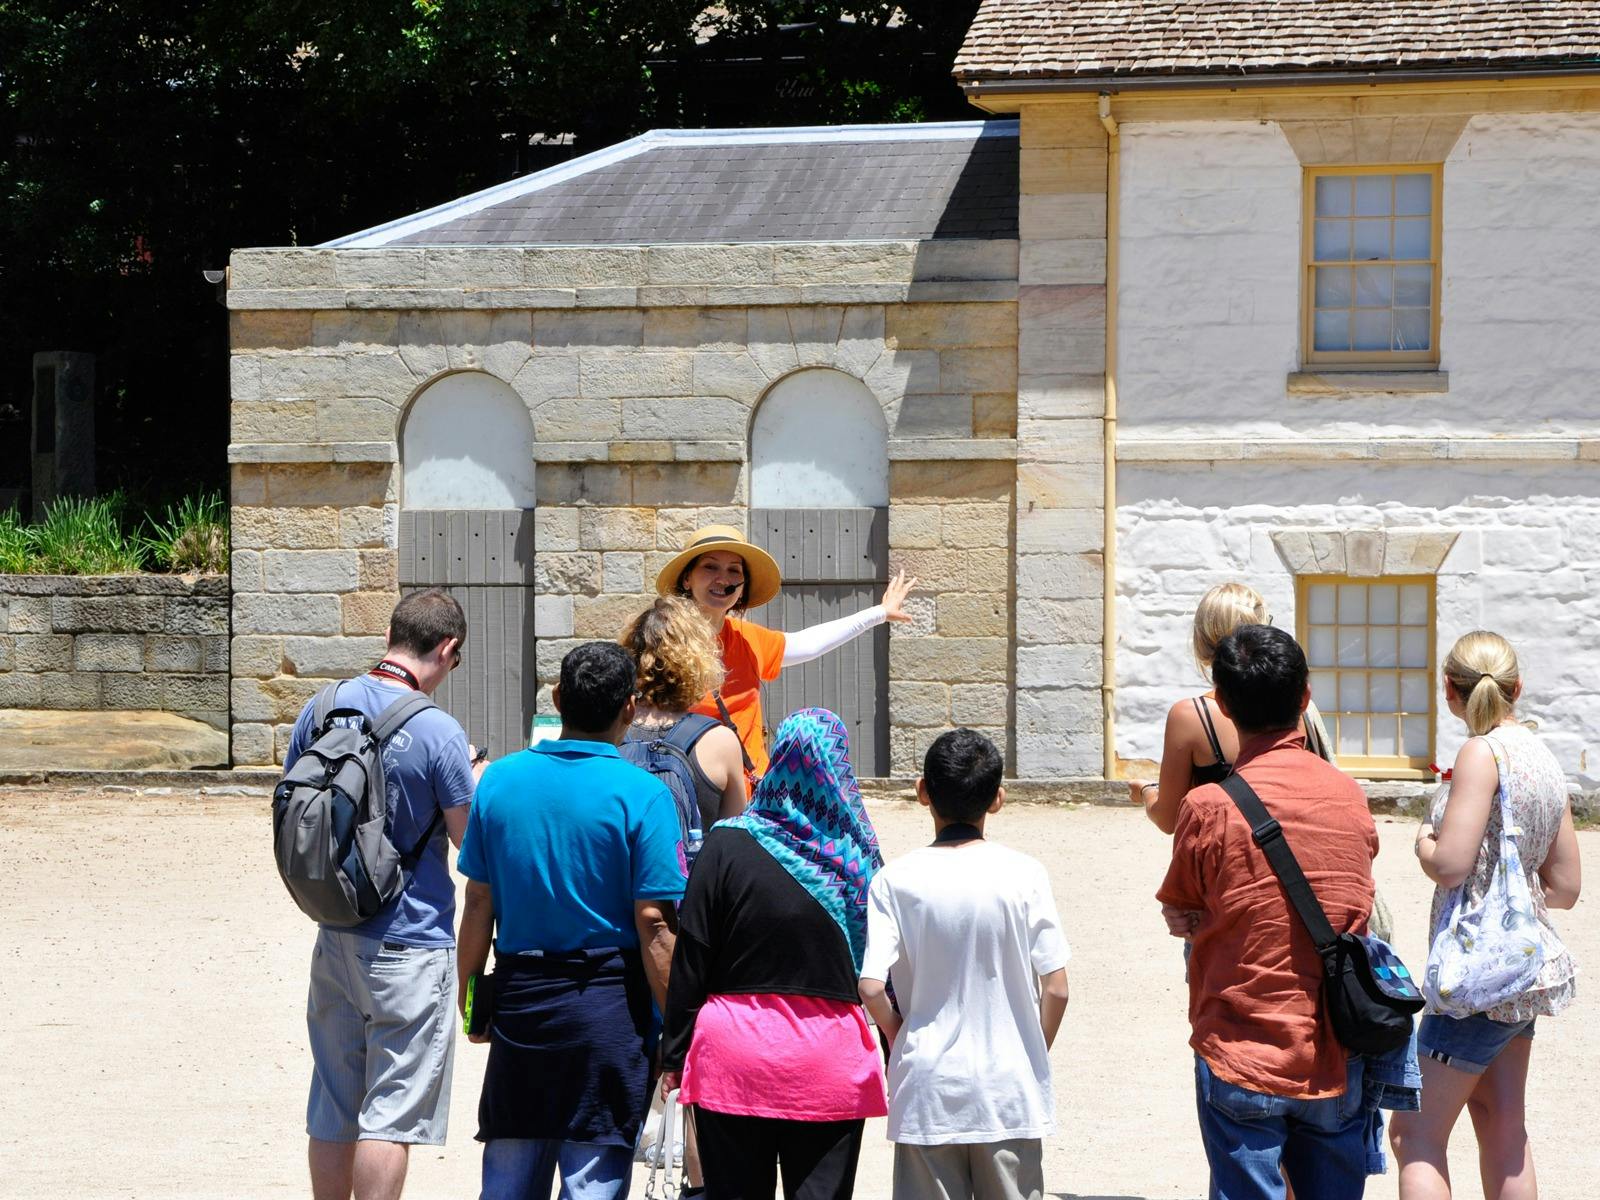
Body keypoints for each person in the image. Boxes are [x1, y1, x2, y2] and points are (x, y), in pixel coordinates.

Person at [456, 641, 684, 1200]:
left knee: (508, 1176)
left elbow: (479, 903)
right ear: (630, 707)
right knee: (593, 1182)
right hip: (608, 1008)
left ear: (558, 698)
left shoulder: (500, 783)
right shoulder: (646, 796)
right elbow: (654, 923)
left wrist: (471, 1002)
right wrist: (677, 1027)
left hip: (522, 1002)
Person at [1156, 624, 1378, 1200]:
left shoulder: (1207, 808)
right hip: (1335, 1041)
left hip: (1240, 1042)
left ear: (1224, 706)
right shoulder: (1349, 795)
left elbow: (1182, 906)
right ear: (1305, 698)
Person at [287, 588, 482, 1200]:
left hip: (334, 927)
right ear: (447, 648)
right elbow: (469, 846)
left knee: (335, 1102)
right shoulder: (439, 731)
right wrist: (473, 777)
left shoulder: (322, 706)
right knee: (391, 1114)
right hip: (409, 942)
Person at [660, 708, 888, 1200]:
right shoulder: (860, 861)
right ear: (840, 768)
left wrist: (673, 1055)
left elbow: (692, 956)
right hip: (830, 1063)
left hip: (733, 1057)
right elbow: (883, 969)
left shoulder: (725, 845)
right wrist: (898, 1053)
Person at [1390, 632, 1581, 1200]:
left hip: (1476, 973)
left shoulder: (1480, 752)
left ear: (1450, 691)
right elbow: (1566, 887)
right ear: (1517, 688)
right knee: (1502, 1125)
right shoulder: (1542, 755)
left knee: (1415, 1135)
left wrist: (1425, 841)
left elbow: (1450, 864)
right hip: (1521, 969)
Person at [860, 728, 1071, 1200]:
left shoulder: (895, 880)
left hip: (928, 1085)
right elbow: (1056, 987)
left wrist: (900, 1038)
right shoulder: (1025, 873)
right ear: (997, 799)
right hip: (1008, 1086)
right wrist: (1031, 1047)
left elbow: (872, 986)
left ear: (921, 792)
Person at [655, 524, 916, 780]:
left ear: (742, 586)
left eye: (734, 570)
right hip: (688, 794)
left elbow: (809, 643)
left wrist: (878, 613)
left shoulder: (747, 639)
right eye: (710, 567)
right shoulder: (660, 642)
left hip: (750, 797)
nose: (723, 579)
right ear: (687, 578)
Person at [620, 595, 749, 834]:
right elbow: (735, 838)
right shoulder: (720, 741)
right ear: (699, 661)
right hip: (692, 871)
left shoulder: (610, 730)